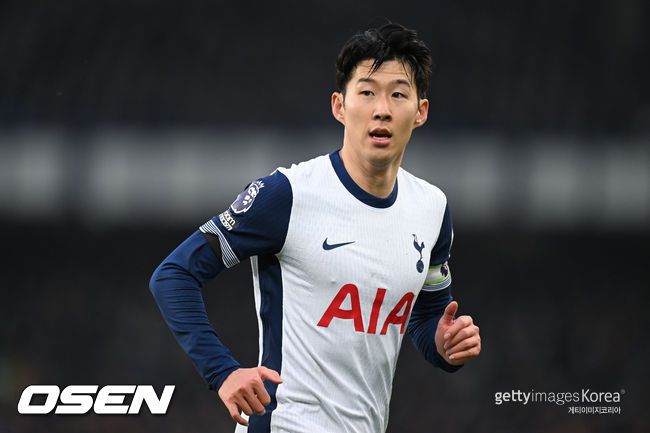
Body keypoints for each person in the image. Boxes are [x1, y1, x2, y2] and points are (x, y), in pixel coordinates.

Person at [149, 22, 481, 433]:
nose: (382, 109)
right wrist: (224, 372)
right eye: (367, 92)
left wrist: (445, 344)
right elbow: (174, 275)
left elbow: (427, 316)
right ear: (339, 106)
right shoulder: (287, 195)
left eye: (398, 94)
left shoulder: (432, 208)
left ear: (420, 112)